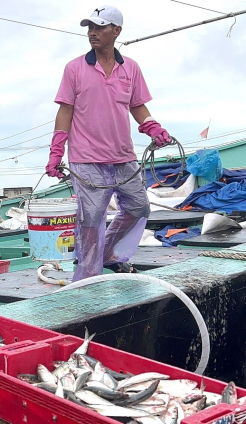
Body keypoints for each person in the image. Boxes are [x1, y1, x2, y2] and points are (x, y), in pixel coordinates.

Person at [46, 6, 172, 282]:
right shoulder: (75, 68)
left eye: (100, 27)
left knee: (139, 208)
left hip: (123, 156)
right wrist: (56, 152)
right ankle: (89, 276)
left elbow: (137, 105)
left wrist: (152, 127)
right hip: (86, 157)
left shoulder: (131, 68)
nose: (92, 33)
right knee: (90, 219)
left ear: (116, 31)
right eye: (89, 27)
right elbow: (65, 110)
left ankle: (107, 252)